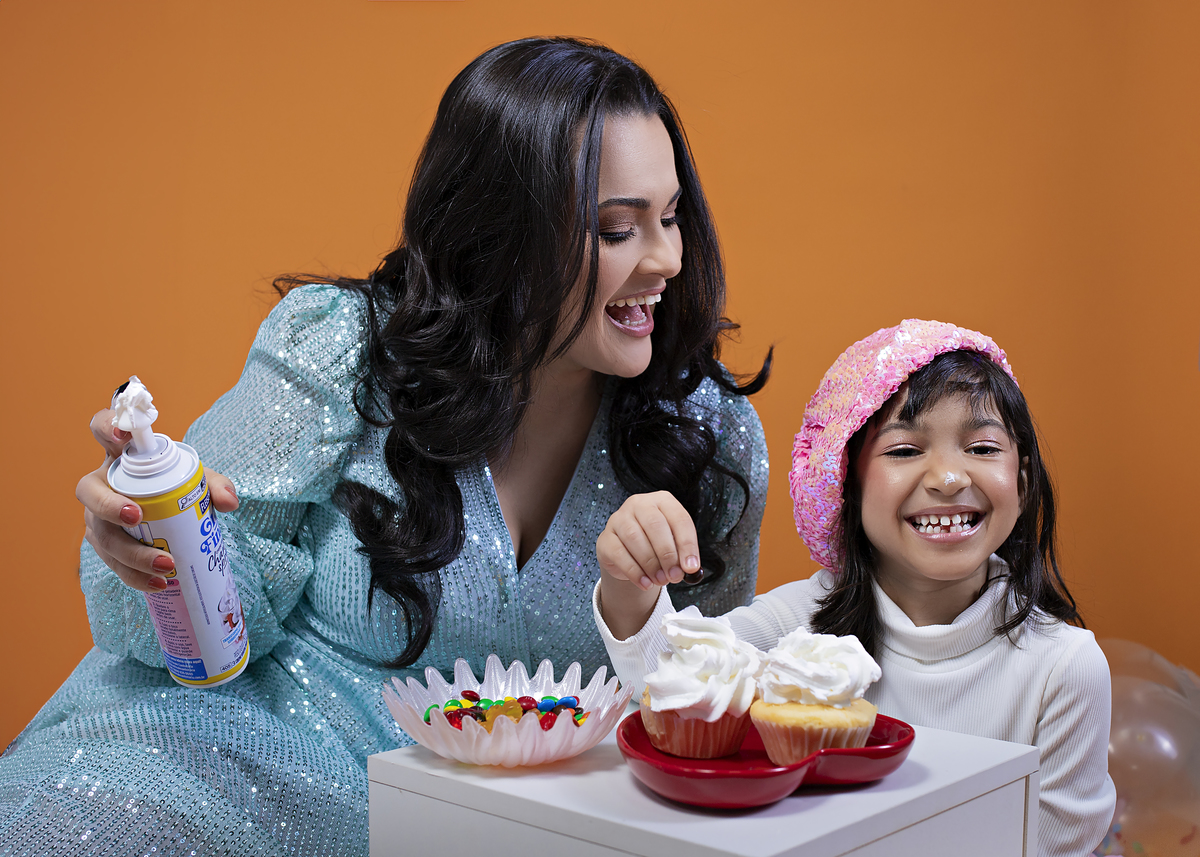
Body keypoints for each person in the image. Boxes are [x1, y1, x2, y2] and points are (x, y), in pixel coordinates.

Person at [0, 38, 769, 855]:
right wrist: (158, 538)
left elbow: (708, 713)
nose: (666, 258)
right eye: (617, 229)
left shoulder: (709, 438)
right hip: (243, 761)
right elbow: (209, 622)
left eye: (671, 217)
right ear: (501, 231)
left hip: (512, 831)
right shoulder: (343, 348)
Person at [596, 319, 1115, 857]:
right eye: (905, 450)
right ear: (849, 483)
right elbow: (666, 681)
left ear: (1022, 482)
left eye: (982, 448)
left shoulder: (1064, 668)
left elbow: (1054, 844)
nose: (948, 478)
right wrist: (630, 580)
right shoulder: (798, 623)